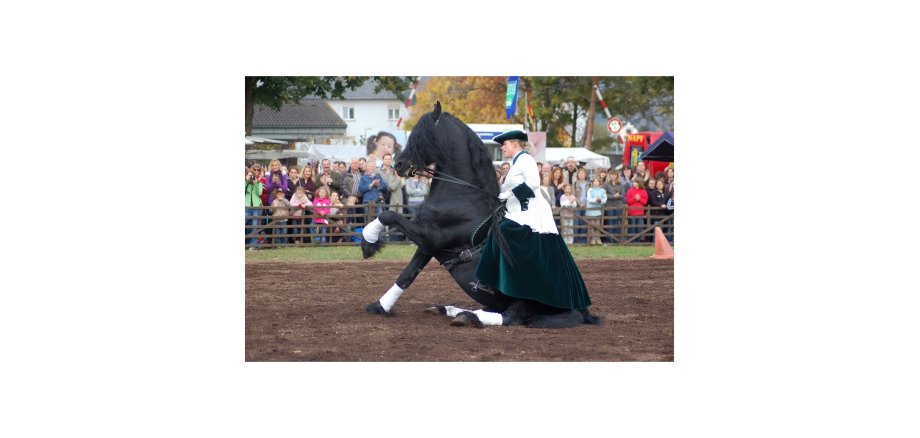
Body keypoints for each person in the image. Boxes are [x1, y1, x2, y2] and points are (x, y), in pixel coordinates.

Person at [472, 130, 593, 326]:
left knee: (503, 231)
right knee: (499, 229)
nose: (502, 148)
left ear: (514, 144)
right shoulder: (516, 162)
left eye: (504, 144)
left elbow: (534, 183)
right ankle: (491, 280)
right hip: (519, 211)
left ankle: (489, 279)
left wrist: (508, 193)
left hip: (531, 212)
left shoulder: (525, 159)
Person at [245, 165, 264, 250]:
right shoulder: (244, 182)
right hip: (246, 206)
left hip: (256, 207)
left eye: (252, 175)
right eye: (249, 175)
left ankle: (253, 245)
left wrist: (256, 183)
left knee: (254, 226)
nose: (251, 177)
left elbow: (259, 193)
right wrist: (246, 181)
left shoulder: (259, 183)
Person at [603, 171, 625, 242]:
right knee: (610, 222)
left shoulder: (620, 184)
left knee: (617, 221)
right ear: (609, 175)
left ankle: (616, 239)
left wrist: (618, 196)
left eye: (615, 175)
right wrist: (613, 196)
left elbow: (623, 195)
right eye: (612, 175)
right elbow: (603, 194)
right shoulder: (606, 184)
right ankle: (609, 239)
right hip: (609, 205)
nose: (613, 176)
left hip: (618, 205)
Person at [585, 177, 607, 245]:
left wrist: (600, 200)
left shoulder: (602, 190)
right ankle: (593, 239)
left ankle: (598, 239)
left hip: (598, 211)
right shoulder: (590, 190)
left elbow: (604, 199)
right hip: (590, 210)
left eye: (597, 181)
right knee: (592, 225)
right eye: (595, 181)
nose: (596, 182)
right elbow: (589, 199)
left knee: (598, 225)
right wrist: (596, 200)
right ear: (593, 182)